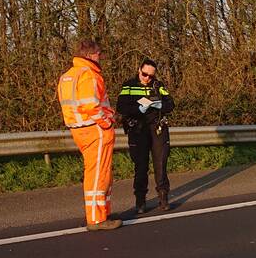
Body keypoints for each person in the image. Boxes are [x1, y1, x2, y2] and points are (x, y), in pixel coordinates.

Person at [57, 39, 121, 231]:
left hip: (78, 129)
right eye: (99, 53)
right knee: (98, 174)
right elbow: (91, 106)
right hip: (94, 129)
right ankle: (97, 219)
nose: (100, 57)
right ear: (90, 55)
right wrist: (107, 121)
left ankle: (102, 212)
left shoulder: (68, 76)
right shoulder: (89, 75)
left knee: (97, 172)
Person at [116, 58, 175, 213]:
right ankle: (140, 201)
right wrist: (138, 109)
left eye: (151, 75)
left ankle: (163, 198)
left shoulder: (158, 85)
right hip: (138, 129)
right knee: (141, 166)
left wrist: (161, 105)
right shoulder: (128, 85)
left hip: (157, 128)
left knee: (161, 164)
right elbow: (121, 106)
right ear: (139, 70)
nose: (147, 78)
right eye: (144, 74)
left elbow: (171, 104)